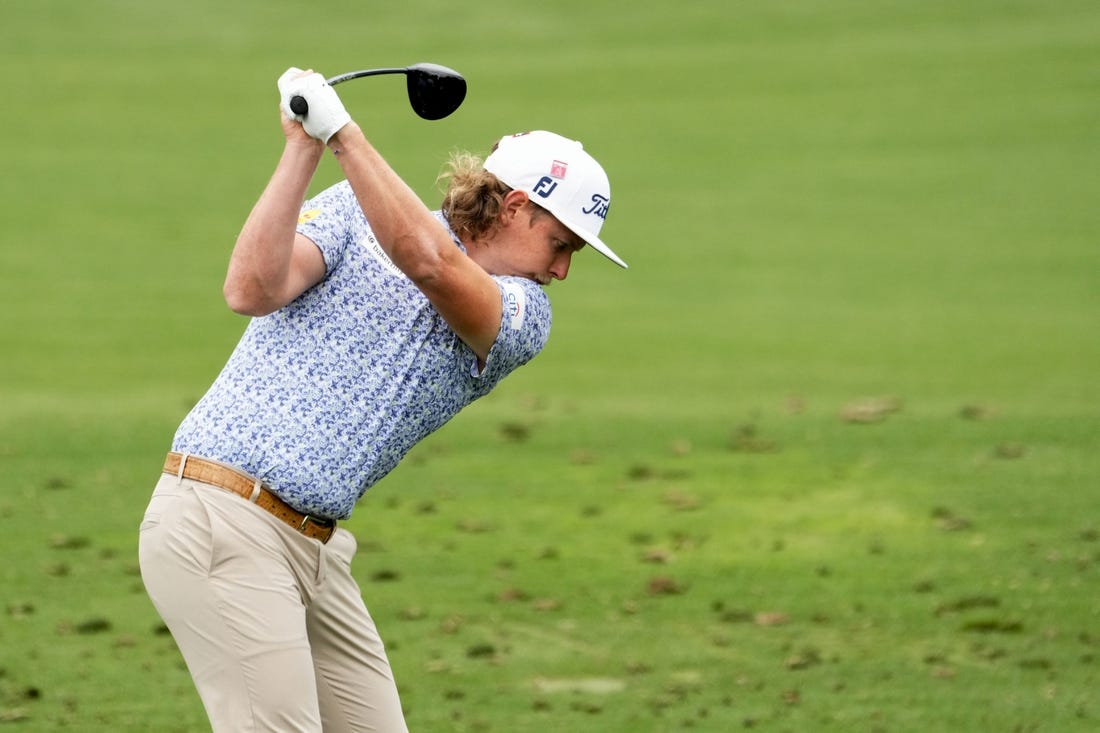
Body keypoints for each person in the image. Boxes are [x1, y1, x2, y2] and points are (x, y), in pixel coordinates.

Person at [137, 67, 626, 732]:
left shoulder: (521, 312)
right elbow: (250, 289)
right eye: (560, 243)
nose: (563, 269)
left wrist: (342, 132)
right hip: (221, 515)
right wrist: (303, 147)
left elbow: (429, 263)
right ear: (515, 209)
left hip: (315, 547)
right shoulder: (347, 210)